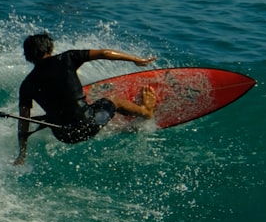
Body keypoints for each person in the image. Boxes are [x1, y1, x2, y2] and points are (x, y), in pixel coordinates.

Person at [14, 32, 158, 165]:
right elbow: (104, 53)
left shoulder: (26, 85)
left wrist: (22, 154)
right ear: (49, 49)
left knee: (55, 113)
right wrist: (136, 59)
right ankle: (145, 111)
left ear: (28, 56)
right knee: (114, 100)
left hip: (65, 136)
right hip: (89, 125)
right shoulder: (67, 58)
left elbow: (23, 121)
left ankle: (123, 127)